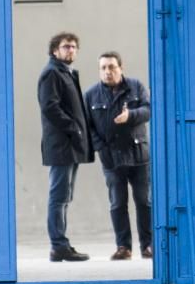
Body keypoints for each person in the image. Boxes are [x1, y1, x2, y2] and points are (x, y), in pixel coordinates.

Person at [84, 52, 153, 260]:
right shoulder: (91, 95)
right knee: (117, 203)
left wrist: (130, 116)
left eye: (112, 67)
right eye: (103, 68)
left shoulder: (136, 86)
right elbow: (88, 127)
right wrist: (101, 149)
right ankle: (123, 247)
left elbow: (149, 110)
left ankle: (148, 245)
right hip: (111, 159)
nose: (108, 71)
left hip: (139, 156)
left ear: (121, 68)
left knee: (144, 201)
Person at [38, 32, 94, 262]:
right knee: (59, 196)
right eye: (65, 47)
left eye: (73, 47)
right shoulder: (51, 73)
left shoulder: (66, 73)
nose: (70, 50)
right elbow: (50, 107)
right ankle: (58, 246)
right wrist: (73, 128)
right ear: (54, 50)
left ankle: (61, 244)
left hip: (70, 145)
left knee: (64, 196)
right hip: (61, 145)